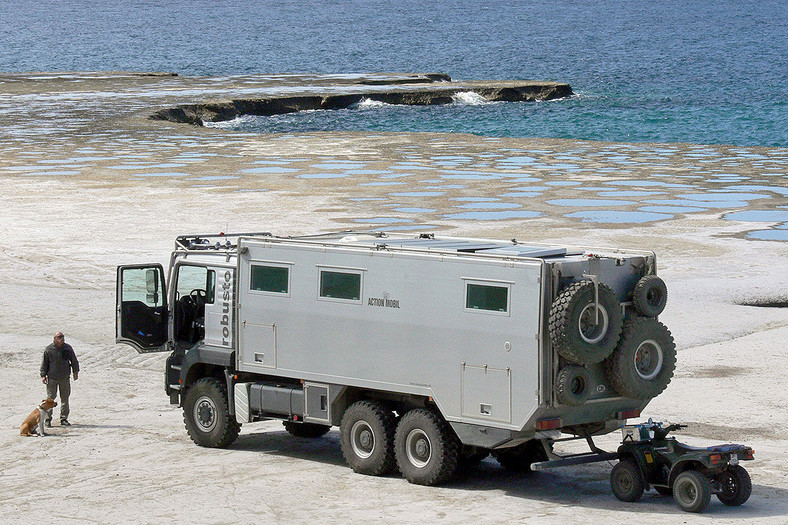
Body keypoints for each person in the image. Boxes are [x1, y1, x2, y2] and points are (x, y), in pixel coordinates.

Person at [40, 331, 79, 426]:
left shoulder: (68, 348)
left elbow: (74, 360)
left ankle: (63, 418)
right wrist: (43, 375)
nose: (62, 339)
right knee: (50, 399)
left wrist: (75, 371)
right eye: (59, 337)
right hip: (52, 378)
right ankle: (48, 419)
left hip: (64, 378)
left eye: (62, 337)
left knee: (65, 399)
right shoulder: (49, 349)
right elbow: (44, 363)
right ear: (55, 339)